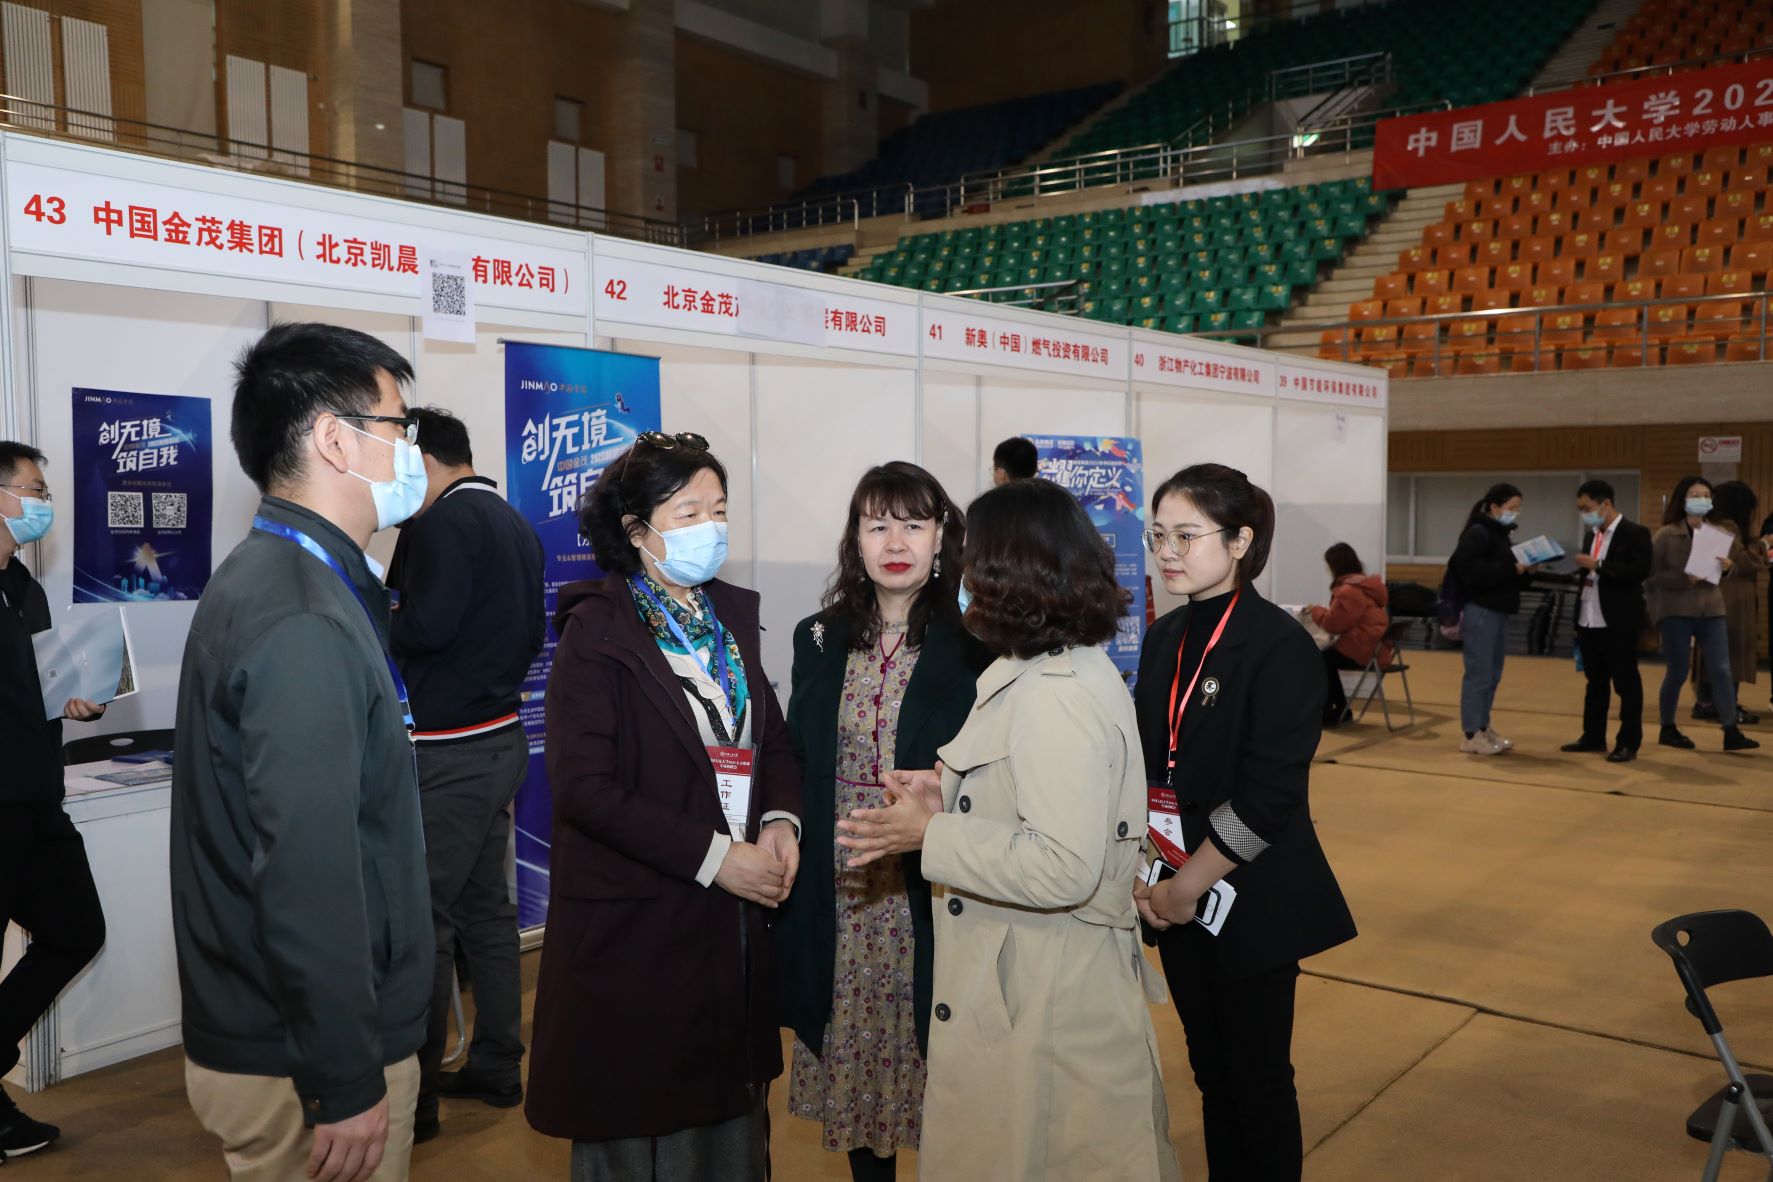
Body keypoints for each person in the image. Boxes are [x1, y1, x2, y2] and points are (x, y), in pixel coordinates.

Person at [834, 477, 1180, 1182]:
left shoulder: (1056, 697)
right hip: (1039, 978)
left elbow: (1061, 865)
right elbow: (1041, 797)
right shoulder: (1050, 669)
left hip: (1048, 997)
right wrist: (952, 794)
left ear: (1010, 572)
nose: (960, 577)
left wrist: (930, 835)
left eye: (972, 561)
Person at [172, 323, 434, 1182]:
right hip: (303, 1053)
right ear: (336, 439)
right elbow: (308, 867)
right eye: (398, 426)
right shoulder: (302, 616)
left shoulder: (289, 577)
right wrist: (346, 1075)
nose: (411, 449)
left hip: (286, 1033)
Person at [527, 431, 801, 1181]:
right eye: (689, 513)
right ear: (636, 530)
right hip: (640, 924)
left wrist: (781, 821)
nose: (710, 528)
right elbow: (585, 789)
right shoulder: (597, 632)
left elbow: (772, 741)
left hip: (732, 922)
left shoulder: (727, 623)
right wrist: (716, 859)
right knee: (645, 1120)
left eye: (719, 510)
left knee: (730, 1126)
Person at [1133, 463, 1357, 1182]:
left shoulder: (1277, 645)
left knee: (1257, 1083)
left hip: (1248, 896)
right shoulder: (1164, 637)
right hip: (1176, 892)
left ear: (1240, 541)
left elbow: (1268, 796)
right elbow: (1153, 771)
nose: (1168, 552)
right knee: (1210, 1075)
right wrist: (1151, 876)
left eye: (1187, 536)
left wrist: (1184, 886)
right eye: (1158, 535)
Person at [777, 462, 991, 1182]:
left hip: (935, 886)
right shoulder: (817, 637)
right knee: (858, 1069)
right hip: (842, 888)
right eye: (877, 526)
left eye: (913, 525)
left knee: (945, 1069)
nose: (895, 542)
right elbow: (794, 750)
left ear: (941, 538)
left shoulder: (979, 640)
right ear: (855, 540)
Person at [386, 407, 545, 1141]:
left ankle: (415, 1102)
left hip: (448, 751)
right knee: (486, 914)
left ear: (424, 460)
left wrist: (370, 613)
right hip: (499, 737)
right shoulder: (511, 520)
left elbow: (426, 626)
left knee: (424, 921)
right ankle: (497, 1064)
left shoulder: (444, 523)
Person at [0, 442, 107, 1165]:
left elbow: (38, 683)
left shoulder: (23, 586)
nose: (44, 503)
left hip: (39, 796)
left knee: (76, 929)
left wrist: (74, 696)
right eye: (34, 490)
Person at [1648, 475, 1759, 752]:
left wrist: (1728, 567)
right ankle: (1667, 726)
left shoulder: (1718, 533)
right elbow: (1651, 575)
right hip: (1676, 609)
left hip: (1711, 607)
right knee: (1677, 671)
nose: (1702, 500)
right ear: (1683, 500)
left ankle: (1730, 729)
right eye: (1695, 495)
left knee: (1722, 669)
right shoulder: (1666, 535)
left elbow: (1732, 568)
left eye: (1707, 496)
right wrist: (1682, 579)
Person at [1559, 479, 1652, 764]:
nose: (1584, 514)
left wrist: (1599, 565)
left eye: (1586, 508)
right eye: (1580, 509)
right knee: (1595, 682)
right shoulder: (1592, 536)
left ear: (1606, 504)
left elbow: (1639, 571)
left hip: (1618, 619)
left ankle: (1628, 741)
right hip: (1589, 618)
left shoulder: (1635, 533)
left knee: (1626, 683)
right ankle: (1593, 736)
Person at [1449, 482, 1534, 756]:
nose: (1515, 513)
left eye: (1518, 509)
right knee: (1479, 674)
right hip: (1481, 610)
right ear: (1495, 507)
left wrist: (1526, 570)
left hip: (1498, 610)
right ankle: (1471, 733)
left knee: (1493, 674)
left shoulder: (1501, 535)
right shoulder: (1478, 533)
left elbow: (1505, 572)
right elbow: (1471, 573)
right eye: (1511, 508)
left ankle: (1483, 726)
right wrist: (1511, 569)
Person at [1691, 481, 1763, 726]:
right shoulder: (1727, 527)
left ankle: (1707, 702)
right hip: (1731, 599)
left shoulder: (1712, 525)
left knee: (1714, 652)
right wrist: (1763, 545)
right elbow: (1742, 561)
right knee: (1732, 652)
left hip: (1716, 597)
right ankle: (1726, 705)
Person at [1306, 542, 1391, 728]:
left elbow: (1333, 625)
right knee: (1324, 659)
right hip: (1376, 647)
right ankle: (1340, 709)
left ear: (1335, 566)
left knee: (1318, 660)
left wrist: (1315, 611)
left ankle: (1333, 711)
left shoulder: (1348, 591)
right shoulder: (1364, 585)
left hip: (1364, 648)